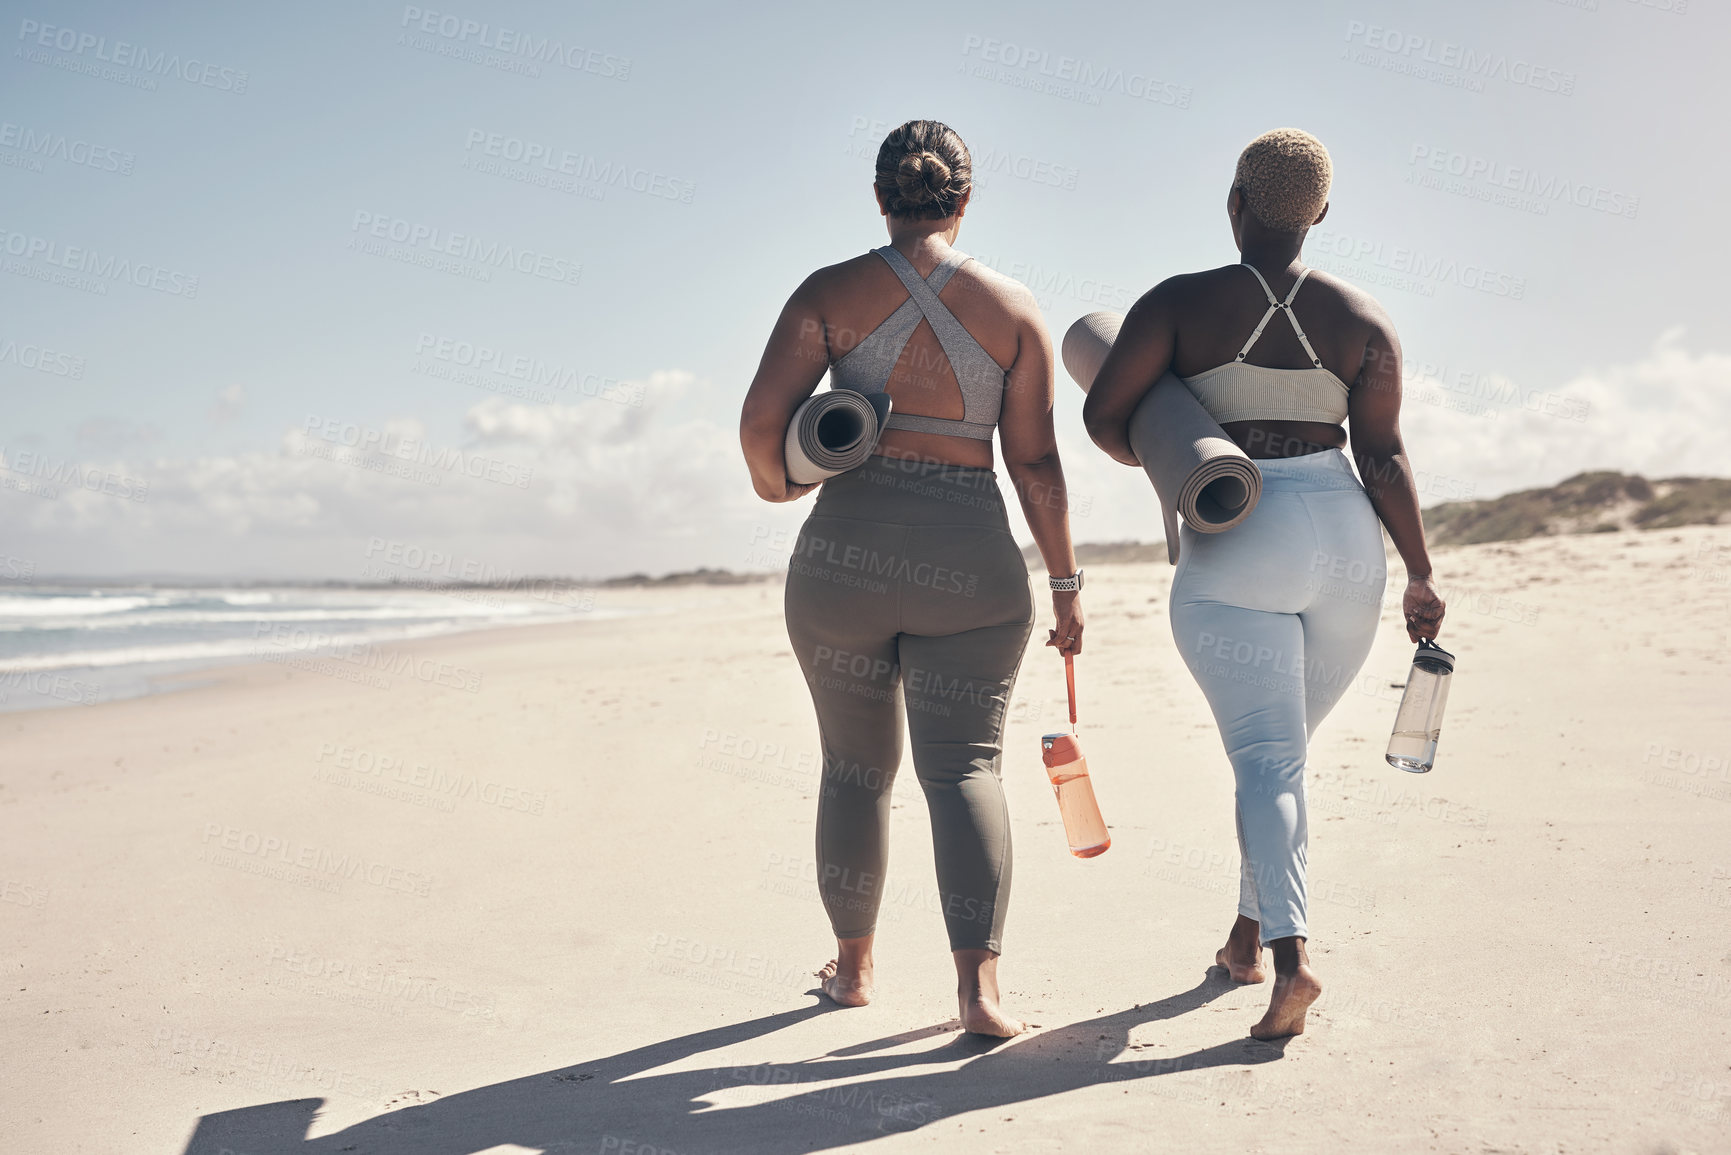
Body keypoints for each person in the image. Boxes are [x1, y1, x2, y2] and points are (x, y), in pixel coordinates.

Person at [1081, 128, 1447, 1040]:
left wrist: (1180, 448)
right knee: (1279, 759)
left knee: (1266, 761)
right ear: (1319, 213)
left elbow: (1102, 415)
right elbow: (1386, 453)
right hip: (1347, 541)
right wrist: (1419, 570)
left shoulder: (1175, 303)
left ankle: (1291, 960)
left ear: (1234, 201)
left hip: (1240, 532)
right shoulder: (1364, 321)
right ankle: (1244, 941)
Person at [739, 119, 1084, 1037]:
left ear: (881, 197)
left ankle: (851, 971)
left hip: (842, 561)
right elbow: (1037, 466)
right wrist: (1063, 583)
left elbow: (757, 429)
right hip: (969, 565)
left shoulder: (826, 293)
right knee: (964, 767)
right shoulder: (1013, 310)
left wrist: (784, 483)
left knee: (853, 769)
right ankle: (979, 994)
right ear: (963, 201)